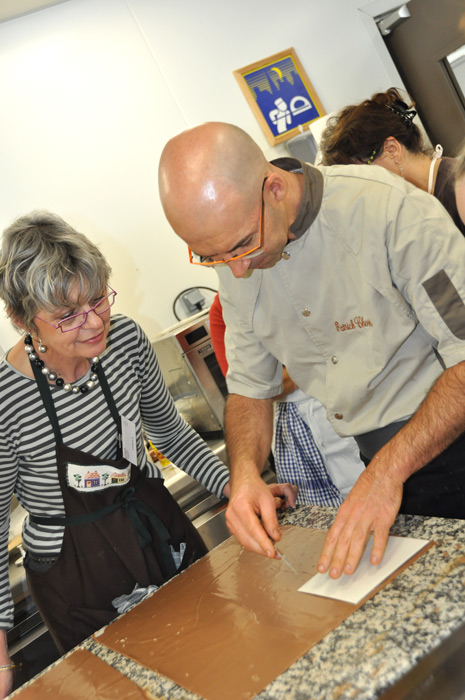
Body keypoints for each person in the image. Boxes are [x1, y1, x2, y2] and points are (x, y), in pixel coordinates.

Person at [158, 121, 465, 588]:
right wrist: (245, 474)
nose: (237, 272)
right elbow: (249, 387)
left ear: (275, 188)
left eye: (243, 245)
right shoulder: (237, 254)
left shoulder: (387, 210)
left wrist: (385, 473)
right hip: (381, 466)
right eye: (211, 257)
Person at [0, 211, 247, 698]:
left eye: (97, 299)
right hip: (77, 572)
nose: (94, 323)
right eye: (68, 316)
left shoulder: (127, 342)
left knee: (217, 662)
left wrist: (238, 489)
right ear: (23, 321)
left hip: (158, 532)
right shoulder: (7, 399)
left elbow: (171, 435)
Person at [208, 293, 364, 506]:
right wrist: (316, 363)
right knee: (323, 518)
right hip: (294, 430)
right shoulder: (226, 305)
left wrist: (276, 376)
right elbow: (247, 388)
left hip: (348, 402)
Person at [318, 87, 465, 236]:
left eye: (363, 174)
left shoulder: (457, 188)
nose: (364, 187)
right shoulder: (414, 205)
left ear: (391, 149)